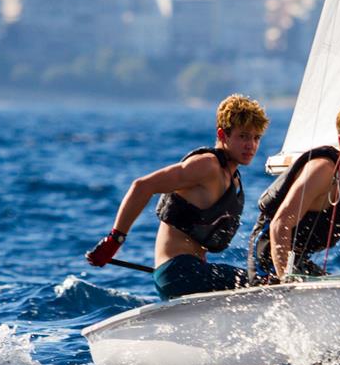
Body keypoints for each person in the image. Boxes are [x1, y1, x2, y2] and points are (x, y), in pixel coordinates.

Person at [86, 94, 269, 299]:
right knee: (264, 283)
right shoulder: (207, 165)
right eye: (243, 136)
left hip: (193, 271)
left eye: (256, 138)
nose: (250, 145)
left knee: (261, 280)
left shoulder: (233, 179)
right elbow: (142, 186)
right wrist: (114, 240)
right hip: (178, 272)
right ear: (223, 134)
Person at [249, 98, 340, 284]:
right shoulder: (323, 171)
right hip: (268, 257)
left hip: (299, 263)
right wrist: (285, 279)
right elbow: (280, 224)